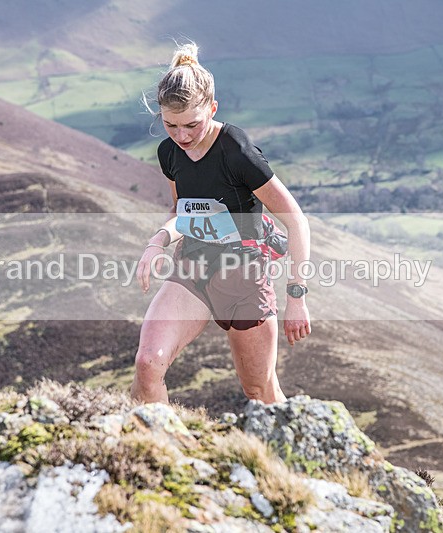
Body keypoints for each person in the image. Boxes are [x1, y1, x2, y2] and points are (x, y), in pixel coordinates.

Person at [131, 42, 311, 405]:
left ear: (212, 108)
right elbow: (183, 210)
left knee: (259, 391)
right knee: (148, 365)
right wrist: (157, 241)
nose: (181, 137)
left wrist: (296, 297)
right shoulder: (169, 152)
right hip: (193, 267)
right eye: (171, 125)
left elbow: (296, 221)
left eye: (192, 125)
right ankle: (157, 454)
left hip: (243, 277)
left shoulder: (236, 151)